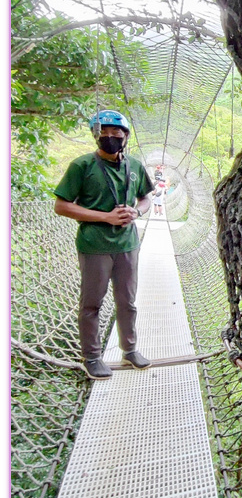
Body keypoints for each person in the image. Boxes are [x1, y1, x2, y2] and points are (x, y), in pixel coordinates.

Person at [54, 109, 155, 380]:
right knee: (92, 303)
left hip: (127, 244)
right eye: (105, 133)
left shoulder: (134, 166)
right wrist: (105, 216)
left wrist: (137, 211)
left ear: (125, 136)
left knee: (128, 301)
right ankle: (92, 357)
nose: (111, 137)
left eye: (116, 133)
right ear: (96, 136)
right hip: (94, 244)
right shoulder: (82, 166)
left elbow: (147, 197)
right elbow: (61, 206)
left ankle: (130, 349)